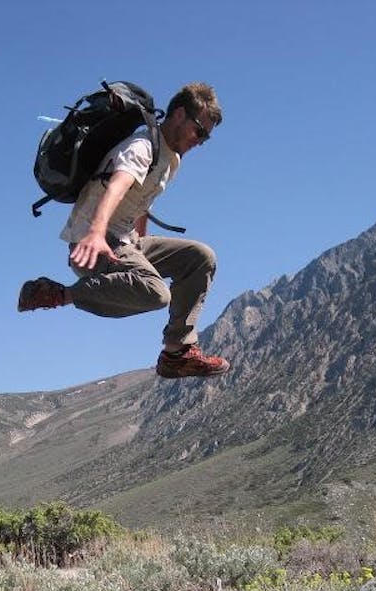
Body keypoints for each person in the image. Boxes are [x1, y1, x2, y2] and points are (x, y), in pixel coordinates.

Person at [17, 82, 230, 379]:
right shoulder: (142, 146)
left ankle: (177, 352)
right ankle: (57, 294)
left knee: (200, 257)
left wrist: (140, 244)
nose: (201, 141)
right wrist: (95, 233)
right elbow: (118, 186)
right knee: (157, 294)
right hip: (93, 241)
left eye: (206, 137)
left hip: (124, 240)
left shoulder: (172, 158)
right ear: (179, 115)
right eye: (200, 131)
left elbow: (141, 201)